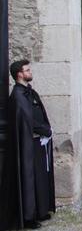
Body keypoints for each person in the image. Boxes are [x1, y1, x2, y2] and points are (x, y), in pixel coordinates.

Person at [0, 60, 56, 230]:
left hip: (38, 141)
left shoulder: (30, 93)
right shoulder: (18, 96)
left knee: (40, 176)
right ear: (19, 74)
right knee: (29, 178)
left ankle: (40, 210)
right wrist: (44, 130)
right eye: (27, 70)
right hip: (28, 143)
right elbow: (27, 120)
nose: (30, 72)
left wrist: (47, 129)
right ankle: (29, 215)